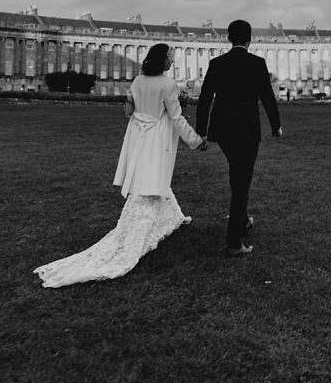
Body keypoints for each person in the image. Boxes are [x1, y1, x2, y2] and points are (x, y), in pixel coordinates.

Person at [34, 44, 207, 288]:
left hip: (139, 137)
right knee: (152, 181)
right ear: (162, 60)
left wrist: (147, 114)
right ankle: (136, 239)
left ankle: (174, 216)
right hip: (157, 140)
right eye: (170, 57)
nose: (172, 61)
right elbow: (177, 118)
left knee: (148, 177)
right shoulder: (168, 85)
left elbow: (128, 110)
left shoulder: (137, 81)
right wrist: (196, 141)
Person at [196, 20, 282, 257]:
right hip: (246, 130)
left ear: (229, 39)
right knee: (241, 182)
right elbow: (267, 97)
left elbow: (204, 99)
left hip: (223, 131)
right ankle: (234, 242)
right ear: (249, 39)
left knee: (238, 174)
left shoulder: (216, 63)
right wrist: (276, 126)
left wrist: (201, 131)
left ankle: (242, 221)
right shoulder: (257, 63)